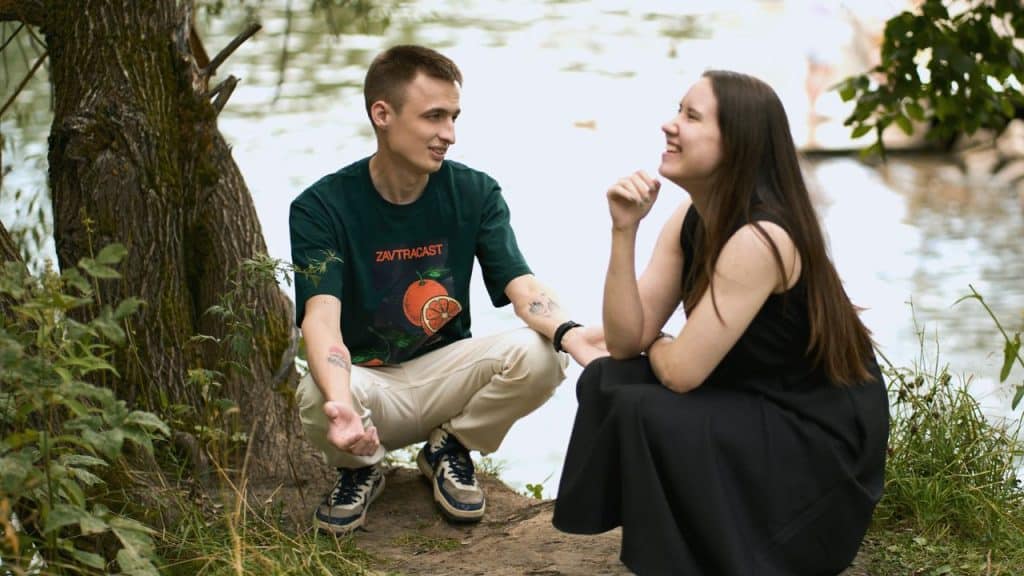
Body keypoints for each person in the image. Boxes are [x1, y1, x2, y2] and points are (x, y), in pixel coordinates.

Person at [551, 69, 890, 575]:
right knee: (609, 379)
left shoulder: (761, 237)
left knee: (646, 407)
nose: (670, 125)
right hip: (753, 404)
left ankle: (717, 552)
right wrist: (624, 231)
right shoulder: (690, 216)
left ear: (736, 144)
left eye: (691, 116)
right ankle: (692, 543)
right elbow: (623, 345)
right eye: (678, 110)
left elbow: (680, 373)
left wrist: (659, 340)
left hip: (817, 452)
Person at [289, 45, 603, 536]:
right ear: (382, 115)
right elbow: (321, 318)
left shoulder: (475, 192)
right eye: (434, 116)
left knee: (543, 354)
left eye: (454, 117)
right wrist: (342, 400)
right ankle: (361, 466)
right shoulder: (321, 207)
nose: (449, 135)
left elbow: (521, 285)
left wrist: (570, 332)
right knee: (315, 393)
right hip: (371, 386)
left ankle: (448, 448)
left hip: (445, 377)